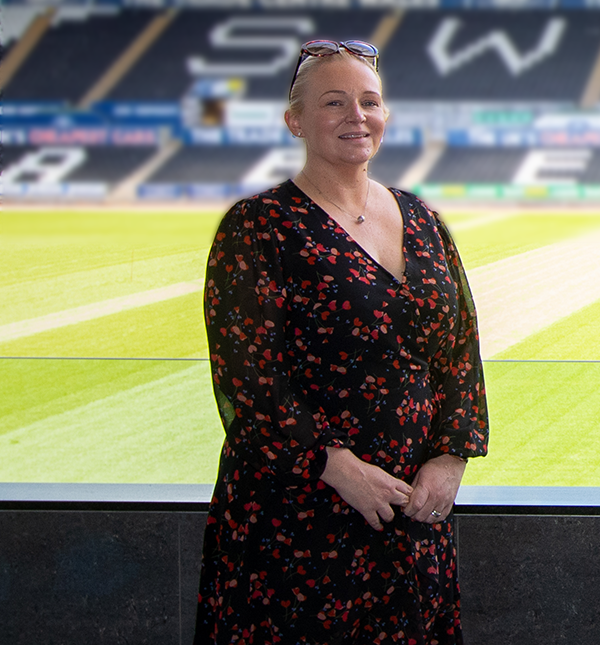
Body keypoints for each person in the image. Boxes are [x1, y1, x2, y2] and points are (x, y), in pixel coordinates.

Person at [196, 38, 489, 643]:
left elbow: (460, 346)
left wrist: (451, 455)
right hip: (299, 521)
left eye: (369, 101)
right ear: (296, 121)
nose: (357, 116)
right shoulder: (258, 227)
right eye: (334, 102)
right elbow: (247, 378)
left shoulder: (424, 220)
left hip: (410, 514)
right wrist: (334, 464)